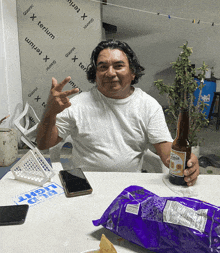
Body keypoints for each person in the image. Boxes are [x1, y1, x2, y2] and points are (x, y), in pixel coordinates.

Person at [36, 40, 199, 186]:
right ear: (95, 74)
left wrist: (187, 162)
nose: (110, 73)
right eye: (103, 67)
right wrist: (49, 112)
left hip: (128, 186)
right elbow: (43, 144)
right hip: (85, 185)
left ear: (133, 72)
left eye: (118, 66)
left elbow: (167, 154)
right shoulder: (77, 104)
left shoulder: (148, 106)